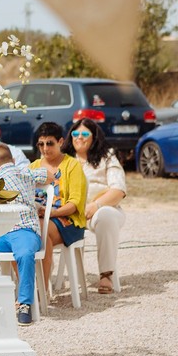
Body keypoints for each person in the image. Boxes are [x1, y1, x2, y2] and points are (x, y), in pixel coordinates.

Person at [63, 118, 126, 294]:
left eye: (85, 134)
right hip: (72, 211)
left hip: (103, 209)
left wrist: (95, 205)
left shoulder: (107, 157)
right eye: (75, 134)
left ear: (94, 137)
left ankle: (106, 274)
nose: (79, 138)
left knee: (105, 215)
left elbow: (118, 190)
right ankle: (50, 278)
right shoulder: (65, 159)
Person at [0, 144, 43, 325]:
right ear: (13, 160)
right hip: (25, 229)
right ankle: (24, 305)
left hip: (3, 231)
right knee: (25, 255)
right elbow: (46, 174)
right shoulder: (25, 172)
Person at [30, 121, 88, 288]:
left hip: (67, 220)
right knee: (24, 232)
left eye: (50, 143)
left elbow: (75, 204)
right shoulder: (33, 167)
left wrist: (50, 213)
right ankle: (34, 287)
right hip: (39, 219)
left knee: (40, 229)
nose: (45, 148)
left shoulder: (72, 165)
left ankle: (41, 289)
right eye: (41, 144)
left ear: (61, 142)